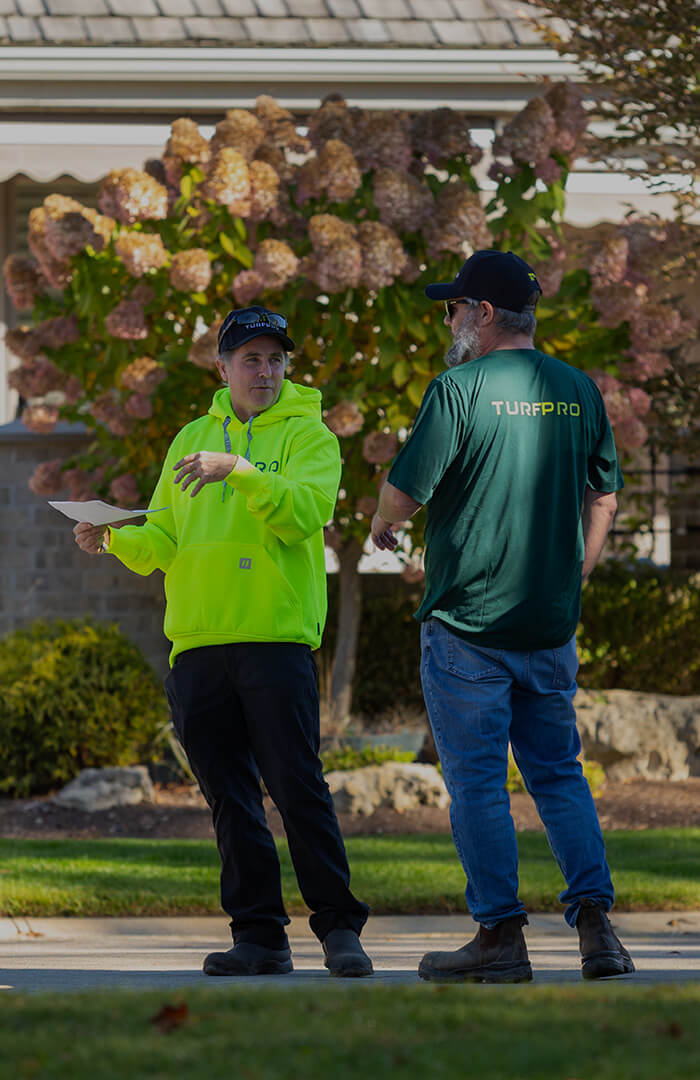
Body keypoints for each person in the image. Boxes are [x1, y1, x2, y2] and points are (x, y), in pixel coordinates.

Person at [74, 305, 372, 979]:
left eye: (275, 359)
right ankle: (260, 938)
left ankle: (339, 931)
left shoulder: (310, 436)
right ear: (223, 367)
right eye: (251, 359)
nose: (265, 371)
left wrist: (237, 468)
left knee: (298, 791)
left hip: (275, 641)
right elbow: (164, 543)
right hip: (199, 648)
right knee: (230, 801)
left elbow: (303, 515)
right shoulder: (190, 438)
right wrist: (112, 535)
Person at [370, 250, 634, 983]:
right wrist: (571, 573)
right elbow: (604, 498)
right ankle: (597, 931)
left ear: (484, 314)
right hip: (549, 627)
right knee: (558, 776)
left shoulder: (457, 390)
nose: (451, 320)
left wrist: (381, 523)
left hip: (466, 628)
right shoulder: (580, 389)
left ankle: (500, 938)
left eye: (455, 307)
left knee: (480, 784)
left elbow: (403, 495)